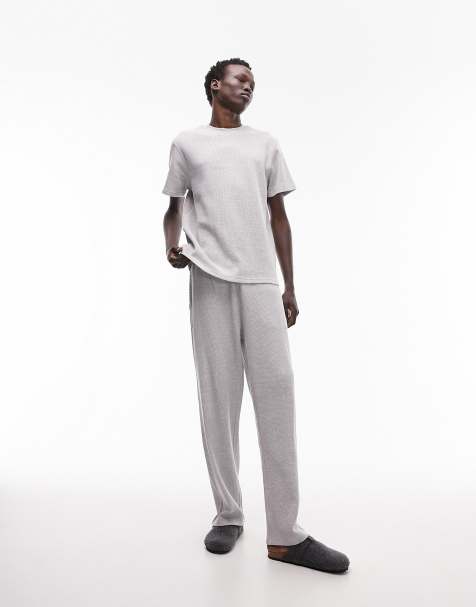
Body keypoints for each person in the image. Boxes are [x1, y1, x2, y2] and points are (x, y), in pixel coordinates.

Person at [162, 57, 350, 573]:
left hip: (262, 281)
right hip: (209, 277)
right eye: (239, 79)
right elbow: (174, 206)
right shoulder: (187, 143)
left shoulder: (265, 144)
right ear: (215, 85)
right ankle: (228, 515)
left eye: (253, 82)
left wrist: (290, 285)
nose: (248, 87)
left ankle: (286, 535)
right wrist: (170, 245)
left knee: (277, 395)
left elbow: (279, 218)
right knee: (218, 398)